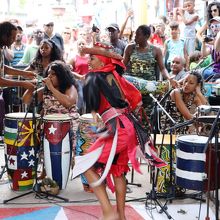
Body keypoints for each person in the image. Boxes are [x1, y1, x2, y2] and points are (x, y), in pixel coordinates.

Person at [71, 43, 165, 220]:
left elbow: (89, 102)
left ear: (103, 61)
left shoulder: (94, 76)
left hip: (117, 130)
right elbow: (136, 99)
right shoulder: (115, 75)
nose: (88, 62)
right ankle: (121, 216)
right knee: (118, 170)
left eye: (92, 58)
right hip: (127, 126)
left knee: (85, 165)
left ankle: (108, 213)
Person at [22, 60, 80, 169]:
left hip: (69, 126)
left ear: (61, 76)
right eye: (48, 73)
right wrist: (31, 87)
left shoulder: (70, 88)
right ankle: (46, 172)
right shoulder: (45, 90)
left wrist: (51, 88)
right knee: (47, 151)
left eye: (53, 74)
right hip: (50, 127)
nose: (49, 76)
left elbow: (68, 102)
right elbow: (26, 100)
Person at [123, 24, 177, 129]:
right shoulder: (130, 48)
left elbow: (162, 69)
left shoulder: (155, 50)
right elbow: (122, 65)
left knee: (146, 119)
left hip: (149, 89)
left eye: (138, 35)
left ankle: (146, 141)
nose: (135, 37)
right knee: (132, 118)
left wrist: (168, 77)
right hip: (133, 89)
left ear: (146, 36)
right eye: (135, 34)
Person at [201, 16, 220, 82]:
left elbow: (217, 47)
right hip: (214, 71)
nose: (214, 28)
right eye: (212, 26)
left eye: (217, 25)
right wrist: (203, 43)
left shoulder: (216, 41)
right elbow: (203, 55)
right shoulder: (212, 42)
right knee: (196, 73)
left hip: (217, 73)